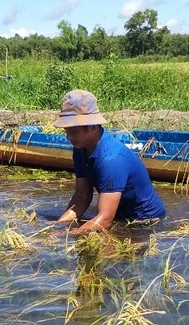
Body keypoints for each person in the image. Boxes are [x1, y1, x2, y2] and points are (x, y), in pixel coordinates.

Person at [54, 89, 165, 235]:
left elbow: (105, 219)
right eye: (66, 131)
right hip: (118, 216)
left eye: (74, 132)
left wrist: (66, 235)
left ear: (93, 127)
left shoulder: (111, 159)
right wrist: (58, 227)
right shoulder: (80, 149)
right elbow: (82, 196)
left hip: (144, 223)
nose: (68, 137)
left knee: (107, 254)